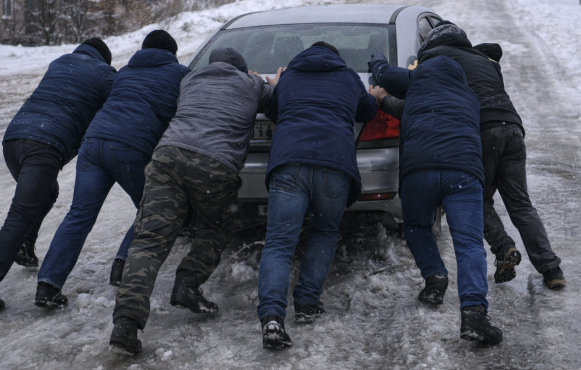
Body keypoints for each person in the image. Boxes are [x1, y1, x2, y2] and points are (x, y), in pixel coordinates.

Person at [109, 48, 278, 354]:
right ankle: (187, 283)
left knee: (149, 241)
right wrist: (272, 82)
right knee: (215, 227)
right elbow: (276, 101)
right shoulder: (251, 83)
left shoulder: (190, 78)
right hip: (215, 164)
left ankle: (125, 325)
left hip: (167, 157)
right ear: (243, 69)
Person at [35, 30, 189, 307]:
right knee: (151, 208)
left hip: (93, 144)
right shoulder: (180, 74)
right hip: (130, 147)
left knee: (79, 215)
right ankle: (122, 264)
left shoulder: (125, 71)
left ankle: (48, 285)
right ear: (172, 54)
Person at [407, 21, 564, 290]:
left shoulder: (435, 60)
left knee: (475, 198)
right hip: (512, 127)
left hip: (480, 129)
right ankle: (551, 269)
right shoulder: (483, 59)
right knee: (521, 205)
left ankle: (504, 247)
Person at [0, 39, 116, 312]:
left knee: (47, 193)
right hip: (44, 146)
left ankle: (24, 245)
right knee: (21, 215)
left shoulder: (59, 62)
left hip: (13, 140)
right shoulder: (105, 74)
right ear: (104, 59)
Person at [369, 48, 503, 345]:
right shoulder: (469, 96)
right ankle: (474, 315)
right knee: (468, 244)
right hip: (462, 172)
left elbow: (387, 82)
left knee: (416, 226)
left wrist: (377, 66)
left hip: (419, 171)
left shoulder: (415, 85)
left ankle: (434, 278)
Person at [257, 42, 377, 350]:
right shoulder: (348, 76)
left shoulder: (290, 78)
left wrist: (276, 86)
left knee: (280, 243)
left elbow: (272, 108)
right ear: (336, 58)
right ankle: (308, 304)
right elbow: (367, 110)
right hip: (335, 165)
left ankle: (272, 317)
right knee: (323, 233)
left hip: (290, 163)